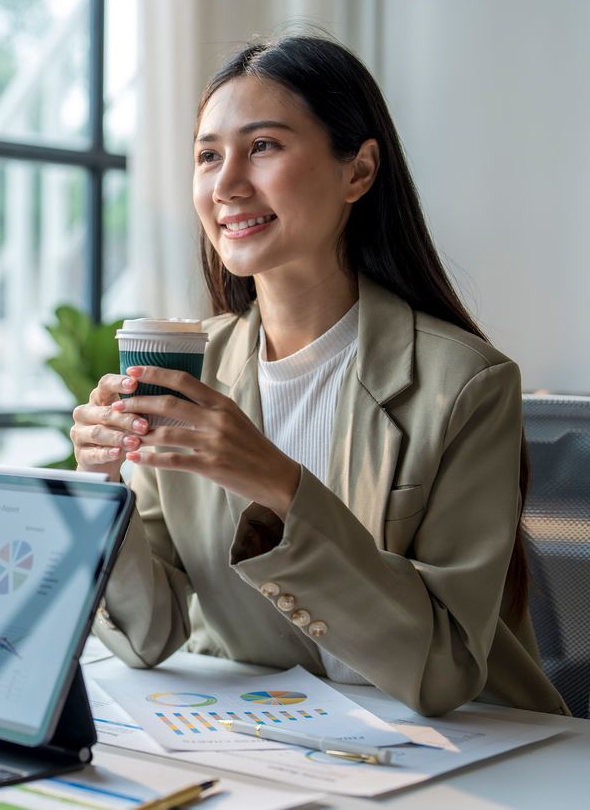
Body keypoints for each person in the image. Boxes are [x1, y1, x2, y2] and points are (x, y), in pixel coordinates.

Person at [72, 35, 568, 717]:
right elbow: (148, 634)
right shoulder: (192, 370)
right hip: (265, 740)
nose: (226, 184)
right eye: (208, 155)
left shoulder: (466, 385)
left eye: (264, 146)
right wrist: (100, 489)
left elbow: (444, 670)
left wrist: (277, 484)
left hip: (468, 751)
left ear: (358, 171)